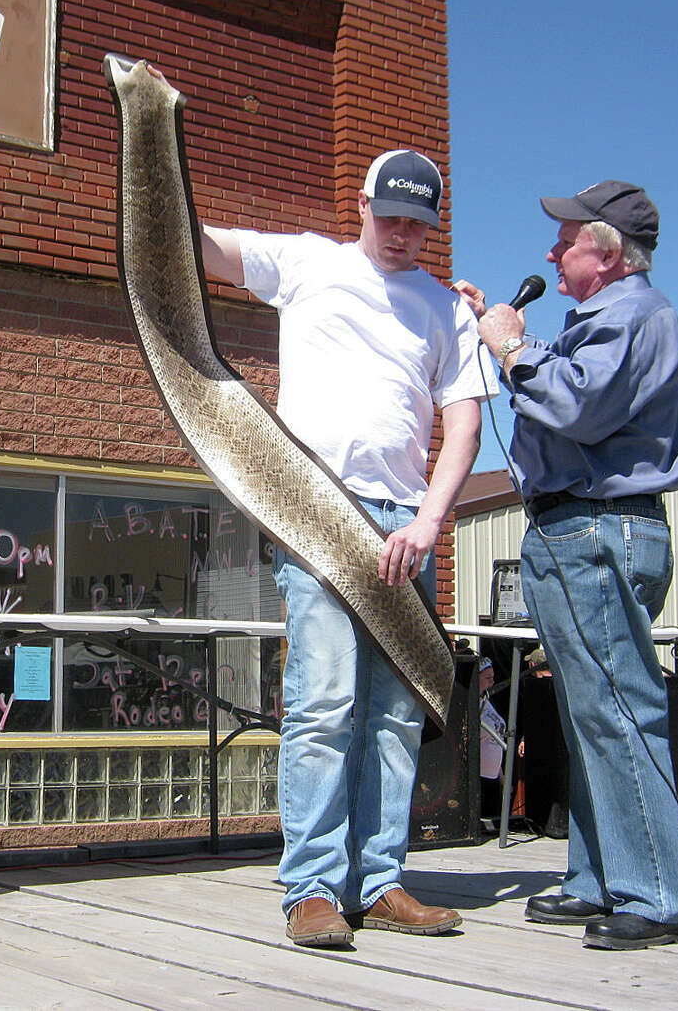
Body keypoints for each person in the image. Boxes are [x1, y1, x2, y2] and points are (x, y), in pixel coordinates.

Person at [202, 149, 496, 947]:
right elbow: (195, 245)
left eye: (418, 224)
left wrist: (430, 522)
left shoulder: (448, 310)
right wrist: (155, 146)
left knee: (397, 716)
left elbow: (463, 424)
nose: (402, 234)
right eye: (390, 216)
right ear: (361, 203)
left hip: (406, 523)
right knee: (326, 701)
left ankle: (382, 880)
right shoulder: (306, 262)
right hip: (317, 513)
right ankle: (312, 888)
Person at [472, 181, 678, 950]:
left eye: (564, 241)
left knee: (614, 709)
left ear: (603, 255)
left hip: (596, 529)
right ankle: (599, 878)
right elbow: (575, 387)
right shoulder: (617, 321)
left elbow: (577, 406)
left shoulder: (631, 315)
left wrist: (509, 347)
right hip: (583, 531)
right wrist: (504, 333)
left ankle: (658, 896)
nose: (550, 253)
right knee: (588, 713)